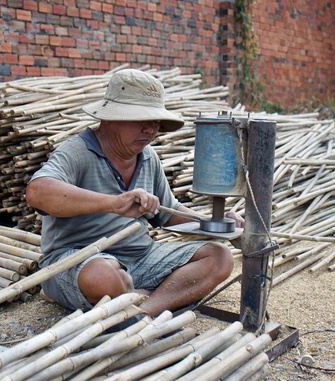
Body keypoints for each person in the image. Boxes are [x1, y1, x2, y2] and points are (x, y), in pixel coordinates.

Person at [25, 69, 243, 317]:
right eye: (141, 120)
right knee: (103, 276)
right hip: (81, 259)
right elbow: (37, 192)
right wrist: (112, 203)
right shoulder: (76, 152)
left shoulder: (148, 157)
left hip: (141, 256)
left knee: (220, 257)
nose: (150, 130)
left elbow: (168, 214)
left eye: (155, 123)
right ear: (110, 118)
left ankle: (143, 310)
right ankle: (144, 297)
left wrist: (213, 222)